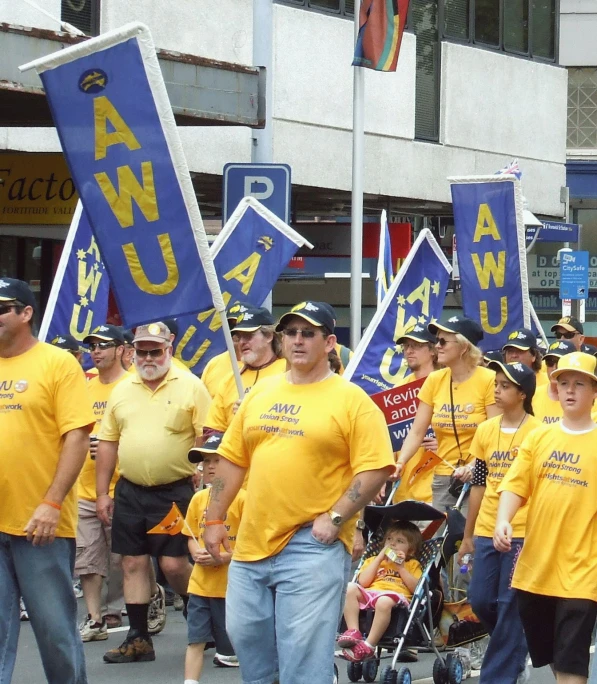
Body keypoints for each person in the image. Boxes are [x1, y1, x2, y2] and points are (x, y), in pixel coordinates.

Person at [203, 301, 395, 684]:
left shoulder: (351, 399)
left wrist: (337, 517)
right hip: (252, 541)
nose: (298, 340)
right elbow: (231, 460)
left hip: (311, 543)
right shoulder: (259, 394)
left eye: (308, 333)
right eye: (290, 332)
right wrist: (213, 518)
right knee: (243, 636)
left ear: (329, 343)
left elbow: (375, 468)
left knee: (302, 654)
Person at [96, 321, 212, 663]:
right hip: (130, 491)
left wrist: (203, 475)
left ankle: (202, 611)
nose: (148, 357)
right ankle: (138, 639)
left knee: (174, 564)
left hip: (173, 492)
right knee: (131, 562)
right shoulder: (121, 389)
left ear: (169, 350)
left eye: (155, 350)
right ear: (131, 351)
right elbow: (107, 442)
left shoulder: (191, 386)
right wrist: (103, 492)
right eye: (142, 350)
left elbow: (207, 437)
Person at [0, 278, 94, 684]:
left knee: (54, 632)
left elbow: (77, 435)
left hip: (39, 524)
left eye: (2, 308)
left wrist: (52, 503)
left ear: (25, 313)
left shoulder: (57, 363)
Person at [495, 352, 597, 684]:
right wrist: (503, 520)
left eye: (579, 384)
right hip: (535, 570)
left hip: (581, 572)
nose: (569, 390)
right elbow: (515, 485)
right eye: (563, 383)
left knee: (571, 664)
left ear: (594, 392)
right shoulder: (539, 437)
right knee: (554, 659)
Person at [457, 361, 540, 684]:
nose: (497, 390)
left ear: (522, 394)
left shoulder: (539, 432)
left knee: (509, 602)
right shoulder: (485, 430)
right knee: (480, 599)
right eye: (496, 384)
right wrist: (468, 535)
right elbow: (478, 484)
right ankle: (515, 650)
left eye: (505, 386)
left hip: (522, 530)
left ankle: (498, 676)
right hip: (486, 527)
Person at [395, 315, 500, 514]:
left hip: (480, 477)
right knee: (440, 541)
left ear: (464, 347)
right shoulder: (434, 380)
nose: (438, 346)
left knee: (469, 541)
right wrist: (400, 462)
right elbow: (417, 432)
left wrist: (472, 467)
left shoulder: (489, 380)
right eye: (436, 341)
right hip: (444, 477)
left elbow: (494, 434)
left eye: (443, 341)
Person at [76, 324, 127, 641]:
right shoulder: (84, 388)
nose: (96, 351)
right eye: (92, 346)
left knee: (122, 556)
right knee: (87, 557)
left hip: (123, 486)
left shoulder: (132, 386)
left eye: (104, 345)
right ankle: (95, 618)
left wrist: (113, 445)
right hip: (83, 487)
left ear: (121, 349)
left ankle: (121, 604)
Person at [184, 434, 245, 680]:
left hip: (230, 588)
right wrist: (195, 551)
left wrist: (225, 557)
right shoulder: (198, 499)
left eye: (217, 460)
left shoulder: (243, 498)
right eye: (206, 461)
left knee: (237, 647)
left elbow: (249, 543)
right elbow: (189, 534)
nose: (210, 466)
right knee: (195, 641)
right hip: (200, 585)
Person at [339, 521, 423, 662]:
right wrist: (379, 559)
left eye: (399, 541)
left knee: (383, 601)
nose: (392, 544)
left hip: (395, 596)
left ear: (411, 550)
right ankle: (354, 632)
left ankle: (369, 645)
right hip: (371, 593)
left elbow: (416, 589)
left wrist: (401, 568)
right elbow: (363, 582)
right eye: (389, 539)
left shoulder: (412, 564)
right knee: (350, 588)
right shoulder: (374, 560)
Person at [205, 305, 287, 433]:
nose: (242, 342)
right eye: (239, 336)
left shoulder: (288, 371)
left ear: (269, 336)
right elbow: (212, 429)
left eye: (249, 335)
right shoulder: (230, 379)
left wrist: (254, 414)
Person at [392, 323, 441, 505]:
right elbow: (389, 439)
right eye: (406, 346)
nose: (409, 351)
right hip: (402, 491)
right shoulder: (398, 390)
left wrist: (444, 445)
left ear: (433, 351)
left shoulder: (448, 383)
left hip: (435, 490)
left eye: (416, 346)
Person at [200, 303, 244, 398]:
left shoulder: (276, 365)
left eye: (241, 326)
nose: (235, 332)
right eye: (231, 326)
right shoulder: (214, 364)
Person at [532, 340, 576, 424]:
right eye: (550, 362)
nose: (554, 368)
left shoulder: (586, 399)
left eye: (560, 362)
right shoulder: (533, 395)